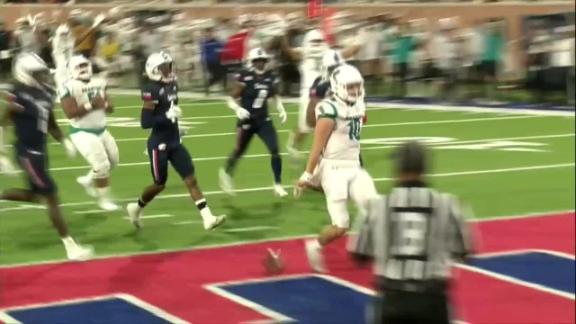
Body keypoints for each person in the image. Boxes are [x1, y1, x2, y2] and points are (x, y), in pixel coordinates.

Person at [349, 141, 474, 324]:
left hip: (393, 299)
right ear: (424, 168)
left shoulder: (378, 206)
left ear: (398, 169)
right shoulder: (448, 204)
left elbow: (359, 255)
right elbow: (464, 252)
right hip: (432, 299)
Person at [0, 53, 93, 261]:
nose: (42, 77)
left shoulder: (46, 92)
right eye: (37, 73)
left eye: (42, 73)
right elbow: (3, 122)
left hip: (41, 151)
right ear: (24, 74)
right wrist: (1, 152)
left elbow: (50, 123)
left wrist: (64, 140)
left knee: (36, 195)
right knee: (51, 196)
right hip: (27, 153)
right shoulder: (18, 94)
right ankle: (71, 246)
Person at [126, 51, 226, 230]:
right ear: (154, 70)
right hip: (158, 144)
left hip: (174, 140)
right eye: (164, 68)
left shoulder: (172, 84)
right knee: (159, 184)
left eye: (168, 66)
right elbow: (145, 122)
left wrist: (176, 125)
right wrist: (166, 116)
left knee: (191, 179)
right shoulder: (151, 89)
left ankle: (207, 217)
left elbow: (171, 109)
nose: (168, 70)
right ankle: (136, 207)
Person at [295, 64, 377, 273]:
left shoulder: (358, 104)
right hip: (334, 169)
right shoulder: (329, 109)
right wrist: (307, 173)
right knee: (341, 226)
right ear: (338, 86)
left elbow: (360, 120)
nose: (356, 91)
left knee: (374, 208)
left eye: (358, 86)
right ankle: (315, 246)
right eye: (350, 87)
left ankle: (359, 246)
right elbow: (317, 145)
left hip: (355, 166)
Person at [219, 48, 288, 197]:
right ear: (252, 62)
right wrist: (238, 109)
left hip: (263, 120)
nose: (260, 64)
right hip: (247, 120)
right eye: (257, 61)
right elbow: (230, 98)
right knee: (239, 150)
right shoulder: (246, 77)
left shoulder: (270, 77)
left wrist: (281, 108)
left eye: (262, 61)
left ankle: (277, 184)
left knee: (275, 150)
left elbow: (275, 95)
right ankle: (226, 174)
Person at [283, 28, 361, 160]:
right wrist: (358, 40)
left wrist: (357, 42)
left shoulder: (329, 53)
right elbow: (289, 53)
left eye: (319, 41)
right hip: (309, 92)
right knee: (306, 127)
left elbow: (349, 52)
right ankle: (294, 144)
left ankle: (324, 153)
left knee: (329, 123)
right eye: (314, 41)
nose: (317, 44)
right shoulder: (304, 52)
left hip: (327, 91)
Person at [60, 55, 119, 211]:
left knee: (113, 162)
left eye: (85, 65)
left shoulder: (99, 82)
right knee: (102, 165)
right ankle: (103, 200)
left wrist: (105, 104)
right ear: (71, 70)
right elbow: (70, 113)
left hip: (102, 129)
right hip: (81, 131)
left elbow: (111, 108)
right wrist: (91, 105)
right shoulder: (68, 86)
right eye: (79, 66)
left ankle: (87, 180)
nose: (83, 69)